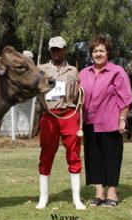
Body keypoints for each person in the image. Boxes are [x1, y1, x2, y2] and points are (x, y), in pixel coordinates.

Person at [79, 35, 132, 207]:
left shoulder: (117, 72)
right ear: (91, 54)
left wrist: (122, 120)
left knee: (111, 158)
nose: (98, 54)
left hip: (111, 122)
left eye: (101, 50)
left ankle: (112, 193)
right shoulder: (83, 73)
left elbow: (126, 98)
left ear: (108, 52)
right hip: (89, 123)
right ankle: (99, 193)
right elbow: (78, 97)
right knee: (94, 158)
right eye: (95, 51)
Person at [36, 36, 86, 210]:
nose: (57, 53)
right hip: (49, 116)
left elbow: (78, 93)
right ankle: (43, 198)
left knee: (74, 154)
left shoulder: (73, 70)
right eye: (54, 50)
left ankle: (76, 199)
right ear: (50, 51)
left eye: (60, 49)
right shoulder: (41, 69)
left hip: (69, 114)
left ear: (65, 49)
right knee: (46, 155)